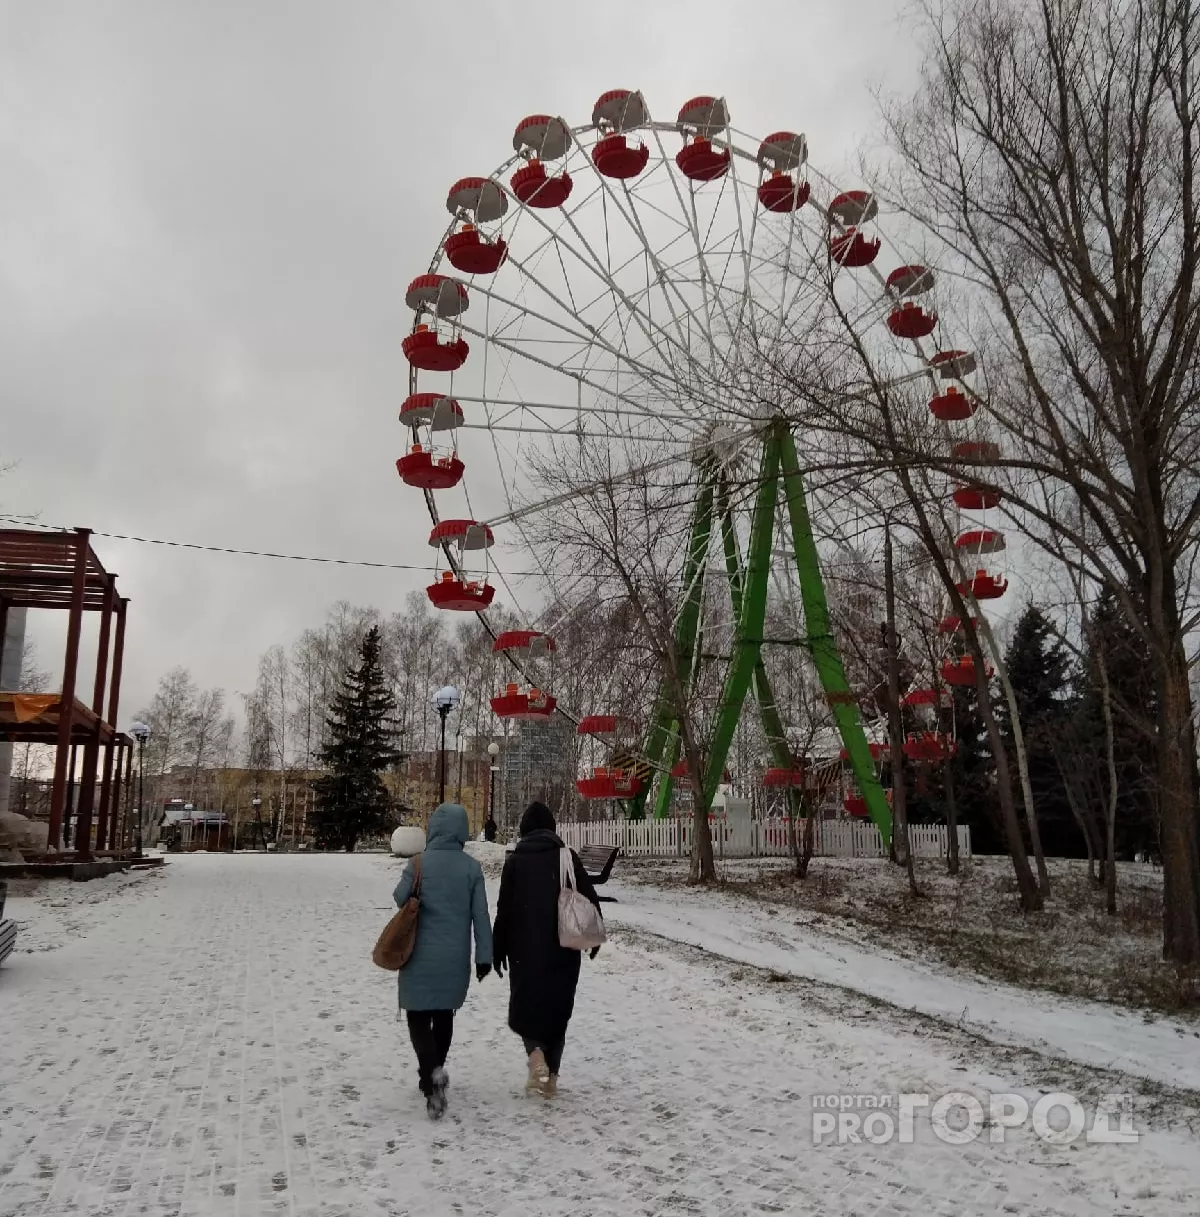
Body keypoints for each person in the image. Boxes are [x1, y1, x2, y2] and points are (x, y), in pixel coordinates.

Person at [491, 801, 601, 1098]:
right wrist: (593, 938)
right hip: (564, 946)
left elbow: (504, 910)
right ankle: (551, 1078)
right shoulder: (567, 857)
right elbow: (589, 898)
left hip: (523, 949)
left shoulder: (515, 861)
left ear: (524, 829)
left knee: (526, 1007)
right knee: (557, 1012)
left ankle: (536, 1055)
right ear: (552, 829)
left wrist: (498, 948)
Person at [392, 802, 492, 1120]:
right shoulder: (471, 868)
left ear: (434, 828)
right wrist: (484, 957)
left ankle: (430, 1070)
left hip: (417, 954)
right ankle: (434, 1072)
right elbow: (481, 916)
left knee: (418, 1016)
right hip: (454, 958)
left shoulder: (418, 863)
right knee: (444, 1014)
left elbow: (399, 897)